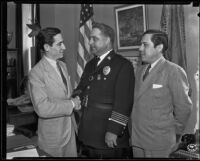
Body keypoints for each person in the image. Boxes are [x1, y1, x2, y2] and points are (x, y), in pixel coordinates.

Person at [73, 22, 135, 158]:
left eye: (94, 39)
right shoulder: (90, 64)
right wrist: (75, 98)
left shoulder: (122, 65)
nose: (89, 42)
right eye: (90, 38)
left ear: (107, 40)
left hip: (107, 133)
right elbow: (82, 88)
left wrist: (114, 130)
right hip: (88, 130)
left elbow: (124, 102)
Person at [130, 29, 193, 158]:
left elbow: (184, 107)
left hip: (159, 142)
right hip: (137, 139)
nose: (140, 48)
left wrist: (173, 133)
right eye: (141, 44)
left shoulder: (173, 71)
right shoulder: (140, 70)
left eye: (145, 44)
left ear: (159, 47)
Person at [28, 27, 81, 157]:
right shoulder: (36, 73)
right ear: (47, 47)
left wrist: (75, 102)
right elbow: (42, 108)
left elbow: (64, 95)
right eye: (59, 44)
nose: (64, 47)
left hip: (70, 132)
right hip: (53, 139)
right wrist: (72, 105)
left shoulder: (62, 65)